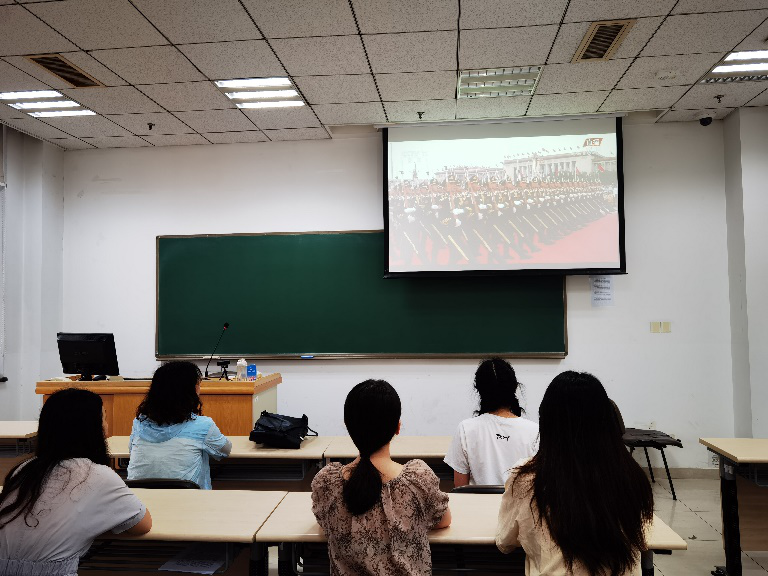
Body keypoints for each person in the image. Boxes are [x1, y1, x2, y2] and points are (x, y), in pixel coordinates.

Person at [497, 371, 654, 576]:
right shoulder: (630, 476)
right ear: (608, 420)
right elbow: (641, 537)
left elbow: (505, 542)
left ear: (546, 422)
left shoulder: (527, 478)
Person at [0, 388, 151, 576]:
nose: (106, 427)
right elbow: (142, 525)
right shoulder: (97, 475)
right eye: (103, 419)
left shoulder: (24, 469)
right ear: (92, 429)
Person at [311, 379, 451, 576]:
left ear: (348, 426)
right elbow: (443, 520)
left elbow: (323, 522)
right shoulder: (418, 479)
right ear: (398, 427)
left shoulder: (327, 483)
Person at [127, 361, 231, 490]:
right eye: (198, 385)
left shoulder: (139, 423)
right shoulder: (203, 426)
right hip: (189, 500)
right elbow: (225, 451)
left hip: (140, 500)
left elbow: (131, 451)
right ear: (191, 391)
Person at [444, 358, 538, 486]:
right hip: (518, 500)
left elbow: (460, 489)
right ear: (514, 387)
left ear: (479, 390)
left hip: (476, 500)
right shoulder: (534, 431)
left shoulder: (466, 429)